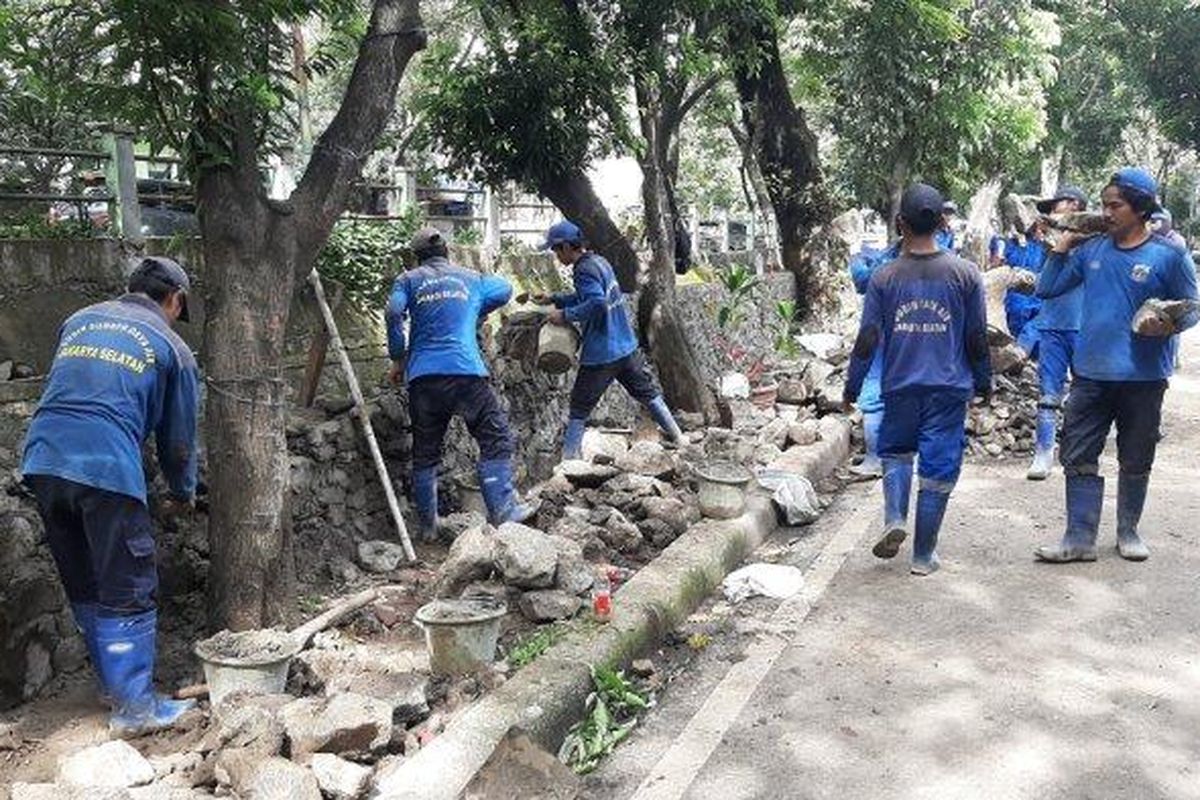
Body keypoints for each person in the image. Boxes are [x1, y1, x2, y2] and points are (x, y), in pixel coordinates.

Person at [21, 256, 199, 736]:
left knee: (84, 579)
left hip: (43, 459)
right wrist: (182, 494)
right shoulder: (173, 347)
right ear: (175, 300)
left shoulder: (77, 321)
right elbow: (178, 443)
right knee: (127, 583)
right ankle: (137, 711)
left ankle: (111, 686)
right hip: (106, 467)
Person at [1034, 168, 1199, 563]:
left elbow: (1192, 309)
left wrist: (1167, 323)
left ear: (1140, 208)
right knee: (1077, 453)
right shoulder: (1092, 250)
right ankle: (1079, 538)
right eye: (1104, 204)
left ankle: (1128, 531)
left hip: (1144, 377)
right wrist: (1063, 246)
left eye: (1115, 205)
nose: (1106, 212)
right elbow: (1047, 288)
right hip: (1090, 374)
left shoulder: (1168, 255)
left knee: (1136, 456)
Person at [844, 184, 992, 576]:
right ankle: (924, 555)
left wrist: (852, 385)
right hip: (948, 387)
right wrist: (984, 381)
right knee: (938, 469)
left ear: (900, 224)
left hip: (900, 385)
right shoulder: (966, 274)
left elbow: (868, 338)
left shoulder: (884, 277)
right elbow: (977, 336)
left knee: (895, 452)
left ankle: (895, 516)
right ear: (942, 222)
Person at [386, 228, 535, 539]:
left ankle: (428, 527)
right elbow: (505, 289)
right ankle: (503, 512)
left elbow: (393, 311)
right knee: (495, 440)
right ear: (447, 253)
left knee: (425, 453)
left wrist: (398, 358)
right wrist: (473, 308)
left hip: (423, 379)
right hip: (465, 373)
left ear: (417, 257)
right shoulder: (470, 277)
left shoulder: (408, 280)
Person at [533, 221, 684, 459]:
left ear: (565, 246)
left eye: (555, 250)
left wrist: (564, 315)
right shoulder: (599, 262)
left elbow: (596, 304)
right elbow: (589, 296)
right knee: (648, 393)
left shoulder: (582, 270)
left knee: (579, 408)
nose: (555, 255)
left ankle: (568, 460)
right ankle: (679, 437)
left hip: (601, 353)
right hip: (625, 347)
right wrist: (556, 298)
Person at [1025, 185, 1089, 480]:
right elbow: (1043, 286)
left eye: (1058, 205)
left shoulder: (1095, 242)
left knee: (1086, 391)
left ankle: (1078, 449)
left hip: (1084, 326)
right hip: (1051, 325)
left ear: (1075, 205)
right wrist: (1056, 247)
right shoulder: (1046, 244)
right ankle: (1043, 452)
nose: (1053, 211)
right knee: (1049, 392)